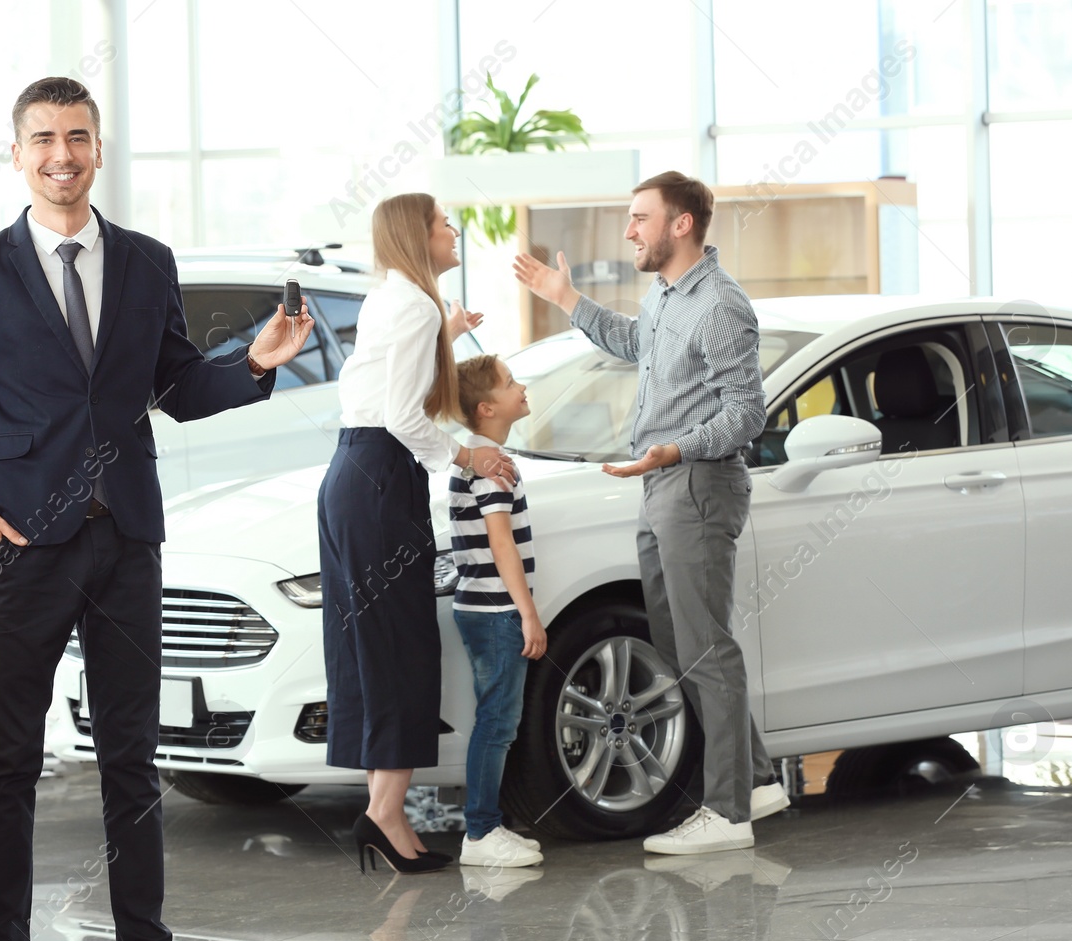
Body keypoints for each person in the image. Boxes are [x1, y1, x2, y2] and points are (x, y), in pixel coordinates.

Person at [0, 77, 314, 941]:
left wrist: (251, 363)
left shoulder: (147, 261)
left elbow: (173, 384)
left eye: (77, 137)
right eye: (43, 139)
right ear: (18, 154)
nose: (61, 155)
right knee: (9, 763)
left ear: (98, 148)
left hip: (125, 539)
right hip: (22, 545)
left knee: (132, 757)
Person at [512, 170, 788, 857]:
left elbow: (747, 413)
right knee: (677, 641)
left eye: (640, 218)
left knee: (705, 646)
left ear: (681, 224)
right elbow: (639, 344)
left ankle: (726, 813)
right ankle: (752, 779)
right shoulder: (667, 295)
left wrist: (673, 448)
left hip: (695, 485)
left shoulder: (721, 306)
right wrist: (567, 299)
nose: (629, 230)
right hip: (661, 486)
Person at [318, 191, 509, 875]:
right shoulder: (415, 304)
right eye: (442, 223)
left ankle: (384, 809)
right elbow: (401, 411)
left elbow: (378, 386)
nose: (453, 230)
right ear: (416, 234)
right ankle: (384, 811)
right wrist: (467, 452)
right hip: (378, 475)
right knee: (399, 645)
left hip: (351, 474)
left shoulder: (392, 298)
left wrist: (446, 335)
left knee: (367, 646)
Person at [448, 355, 545, 870]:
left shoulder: (483, 457)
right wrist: (527, 613)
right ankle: (481, 833)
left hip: (484, 607)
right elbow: (501, 544)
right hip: (496, 610)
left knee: (497, 719)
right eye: (511, 383)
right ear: (487, 407)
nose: (521, 386)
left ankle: (488, 826)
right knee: (497, 723)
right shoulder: (491, 467)